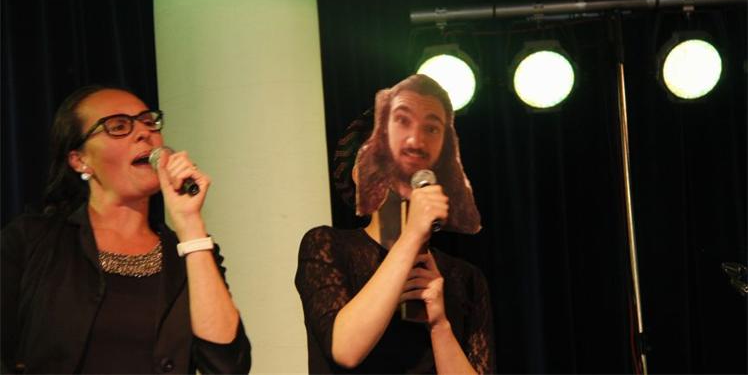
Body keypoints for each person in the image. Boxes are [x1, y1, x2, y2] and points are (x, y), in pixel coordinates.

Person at [1, 85, 251, 374]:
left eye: (148, 121)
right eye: (118, 127)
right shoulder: (31, 240)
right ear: (80, 160)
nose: (144, 132)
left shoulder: (188, 254)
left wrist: (191, 225)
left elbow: (227, 366)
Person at [295, 74, 494, 374]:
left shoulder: (464, 278)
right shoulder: (326, 246)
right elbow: (345, 350)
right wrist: (411, 236)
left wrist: (440, 325)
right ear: (360, 174)